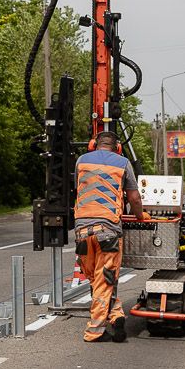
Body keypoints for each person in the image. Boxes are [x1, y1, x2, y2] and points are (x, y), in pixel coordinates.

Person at [73, 130, 146, 342]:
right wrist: (140, 216)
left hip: (82, 230)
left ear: (93, 145)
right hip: (108, 230)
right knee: (105, 279)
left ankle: (115, 315)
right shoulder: (122, 163)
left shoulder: (81, 161)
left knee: (95, 278)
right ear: (118, 147)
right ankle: (94, 331)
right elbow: (134, 197)